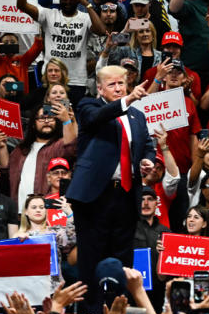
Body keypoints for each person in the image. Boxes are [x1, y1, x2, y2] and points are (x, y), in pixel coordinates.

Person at [66, 65, 154, 301]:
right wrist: (127, 100)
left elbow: (146, 144)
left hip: (126, 194)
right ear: (100, 88)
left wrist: (147, 160)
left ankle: (118, 309)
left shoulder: (138, 115)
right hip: (95, 197)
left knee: (123, 259)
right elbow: (98, 118)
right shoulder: (88, 106)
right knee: (91, 258)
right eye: (112, 84)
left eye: (121, 84)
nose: (118, 88)